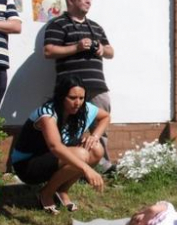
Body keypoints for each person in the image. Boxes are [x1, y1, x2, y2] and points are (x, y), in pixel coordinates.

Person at [11, 75, 109, 214]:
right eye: (72, 98)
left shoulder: (84, 109)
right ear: (61, 96)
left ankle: (62, 190)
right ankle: (46, 193)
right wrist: (87, 169)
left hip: (51, 158)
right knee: (81, 155)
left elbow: (105, 116)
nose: (78, 103)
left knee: (96, 149)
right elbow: (55, 147)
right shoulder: (47, 114)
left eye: (81, 98)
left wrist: (95, 136)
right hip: (28, 164)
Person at [43, 0, 114, 171]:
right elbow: (49, 51)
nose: (88, 1)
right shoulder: (58, 24)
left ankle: (102, 166)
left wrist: (101, 48)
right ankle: (70, 167)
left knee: (101, 126)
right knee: (70, 128)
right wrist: (77, 47)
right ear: (71, 1)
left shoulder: (96, 26)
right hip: (71, 88)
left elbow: (110, 52)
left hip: (97, 85)